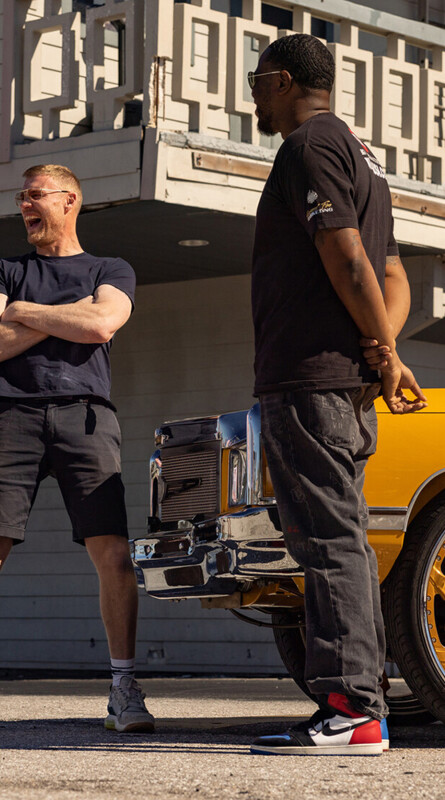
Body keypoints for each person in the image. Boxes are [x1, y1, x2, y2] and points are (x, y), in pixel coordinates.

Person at [247, 34, 427, 756]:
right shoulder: (362, 156)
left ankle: (353, 709)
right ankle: (360, 704)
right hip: (342, 382)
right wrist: (384, 349)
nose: (252, 95)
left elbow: (349, 257)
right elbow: (394, 274)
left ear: (284, 81)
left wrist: (384, 351)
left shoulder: (308, 147)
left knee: (327, 541)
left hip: (311, 378)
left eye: (257, 81)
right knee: (341, 538)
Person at [0, 164, 154, 734]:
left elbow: (102, 324)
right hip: (11, 415)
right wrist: (69, 316)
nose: (24, 205)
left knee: (114, 554)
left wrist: (22, 311)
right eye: (21, 197)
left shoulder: (110, 268)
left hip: (87, 416)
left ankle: (124, 690)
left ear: (70, 200)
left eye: (34, 195)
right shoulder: (3, 269)